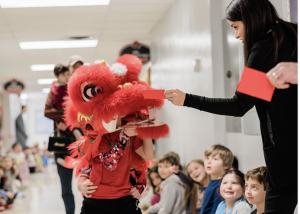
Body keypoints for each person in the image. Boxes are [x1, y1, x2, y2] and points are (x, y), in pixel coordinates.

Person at [164, 1, 297, 213]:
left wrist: (187, 99)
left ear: (251, 21)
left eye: (236, 26)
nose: (236, 35)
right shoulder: (292, 34)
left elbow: (239, 105)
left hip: (285, 155)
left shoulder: (263, 49)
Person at [77, 127, 154, 214]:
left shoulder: (131, 131)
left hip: (125, 197)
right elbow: (110, 164)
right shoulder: (96, 133)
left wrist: (146, 126)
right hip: (97, 199)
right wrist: (81, 186)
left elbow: (148, 156)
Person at [44, 63, 76, 214]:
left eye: (68, 74)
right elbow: (47, 111)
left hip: (79, 140)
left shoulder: (74, 88)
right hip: (61, 144)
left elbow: (80, 110)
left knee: (90, 181)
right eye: (64, 75)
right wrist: (65, 117)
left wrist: (67, 118)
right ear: (57, 76)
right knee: (66, 186)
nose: (68, 77)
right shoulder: (53, 90)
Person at [200, 144, 233, 214]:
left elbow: (217, 211)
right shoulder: (213, 181)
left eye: (215, 159)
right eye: (207, 158)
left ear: (226, 165)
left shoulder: (221, 186)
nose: (208, 161)